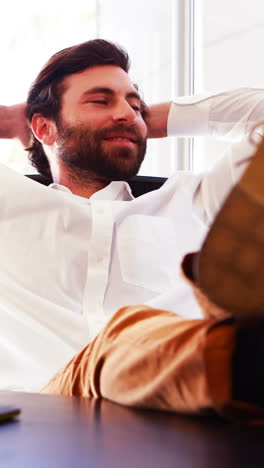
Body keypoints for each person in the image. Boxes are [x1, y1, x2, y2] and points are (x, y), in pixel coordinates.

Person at [1, 39, 264, 418]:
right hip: (36, 413)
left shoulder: (191, 199)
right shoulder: (8, 199)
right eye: (100, 100)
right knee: (123, 336)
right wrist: (14, 120)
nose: (126, 113)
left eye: (134, 104)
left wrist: (148, 121)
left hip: (172, 410)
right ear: (44, 127)